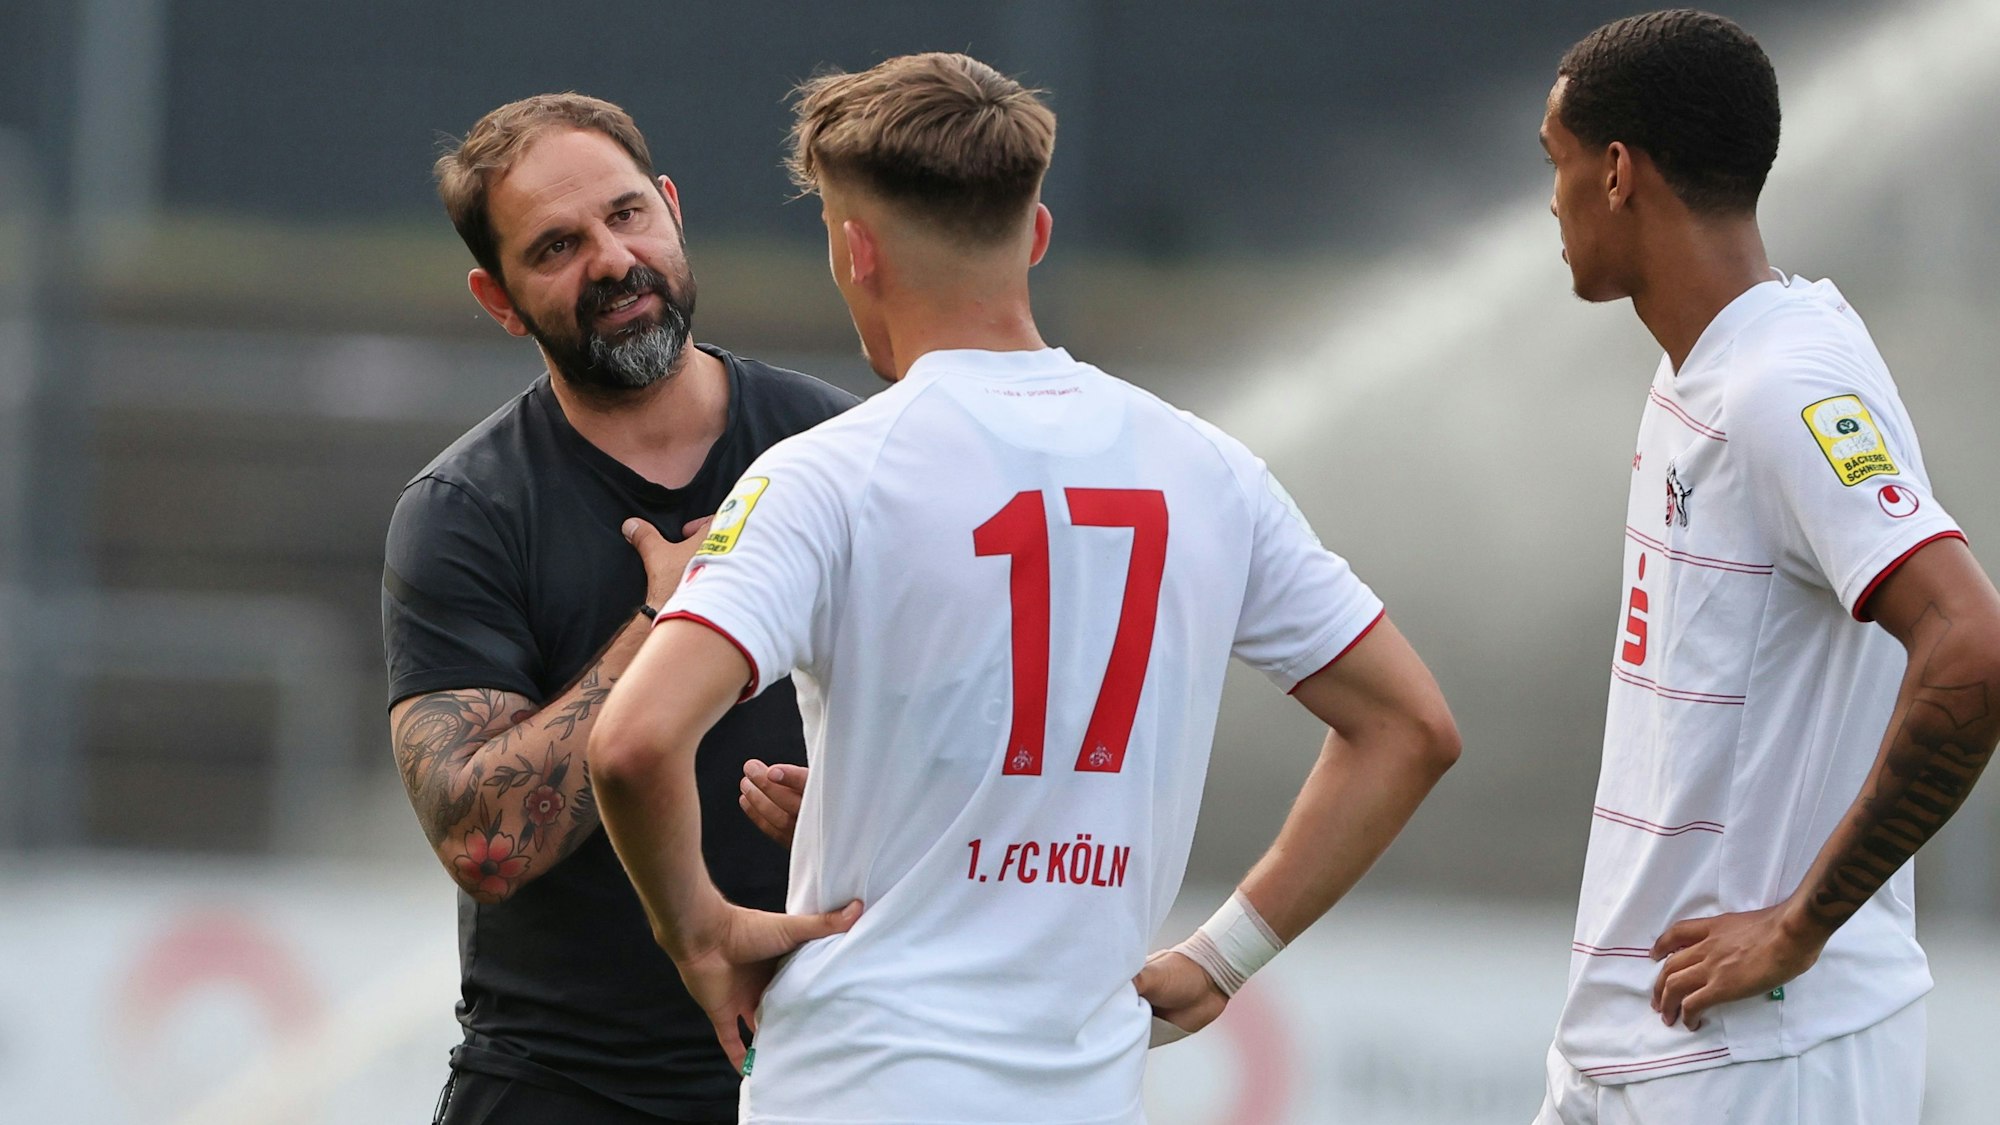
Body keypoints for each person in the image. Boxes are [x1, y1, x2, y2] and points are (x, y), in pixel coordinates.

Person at [586, 52, 1461, 1124]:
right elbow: (1408, 728)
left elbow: (631, 744)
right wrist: (1224, 957)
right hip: (1080, 1094)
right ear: (1034, 237)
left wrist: (701, 934)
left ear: (855, 252)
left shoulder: (828, 473)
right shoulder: (1204, 468)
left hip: (859, 1084)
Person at [1533, 11, 2000, 1124]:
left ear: (1613, 173)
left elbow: (1970, 641)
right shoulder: (1704, 369)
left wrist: (1798, 924)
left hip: (1761, 1056)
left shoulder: (1779, 387)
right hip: (1632, 1042)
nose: (1545, 204)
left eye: (1551, 164)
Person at [381, 93, 853, 1125]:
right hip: (566, 1086)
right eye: (555, 246)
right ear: (498, 299)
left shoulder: (838, 453)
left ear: (672, 212)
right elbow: (484, 844)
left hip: (826, 1069)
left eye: (626, 214)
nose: (609, 259)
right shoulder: (466, 513)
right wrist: (666, 623)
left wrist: (863, 797)